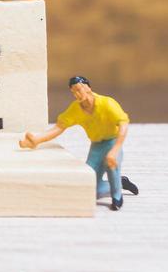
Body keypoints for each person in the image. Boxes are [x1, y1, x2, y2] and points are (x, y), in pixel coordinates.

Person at [21, 76, 140, 210]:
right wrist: (37, 140)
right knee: (89, 185)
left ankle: (117, 196)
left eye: (79, 89)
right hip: (96, 146)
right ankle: (122, 183)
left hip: (112, 142)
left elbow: (123, 124)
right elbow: (59, 127)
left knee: (111, 165)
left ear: (88, 88)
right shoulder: (76, 109)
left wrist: (115, 149)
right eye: (74, 92)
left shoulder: (107, 103)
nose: (77, 94)